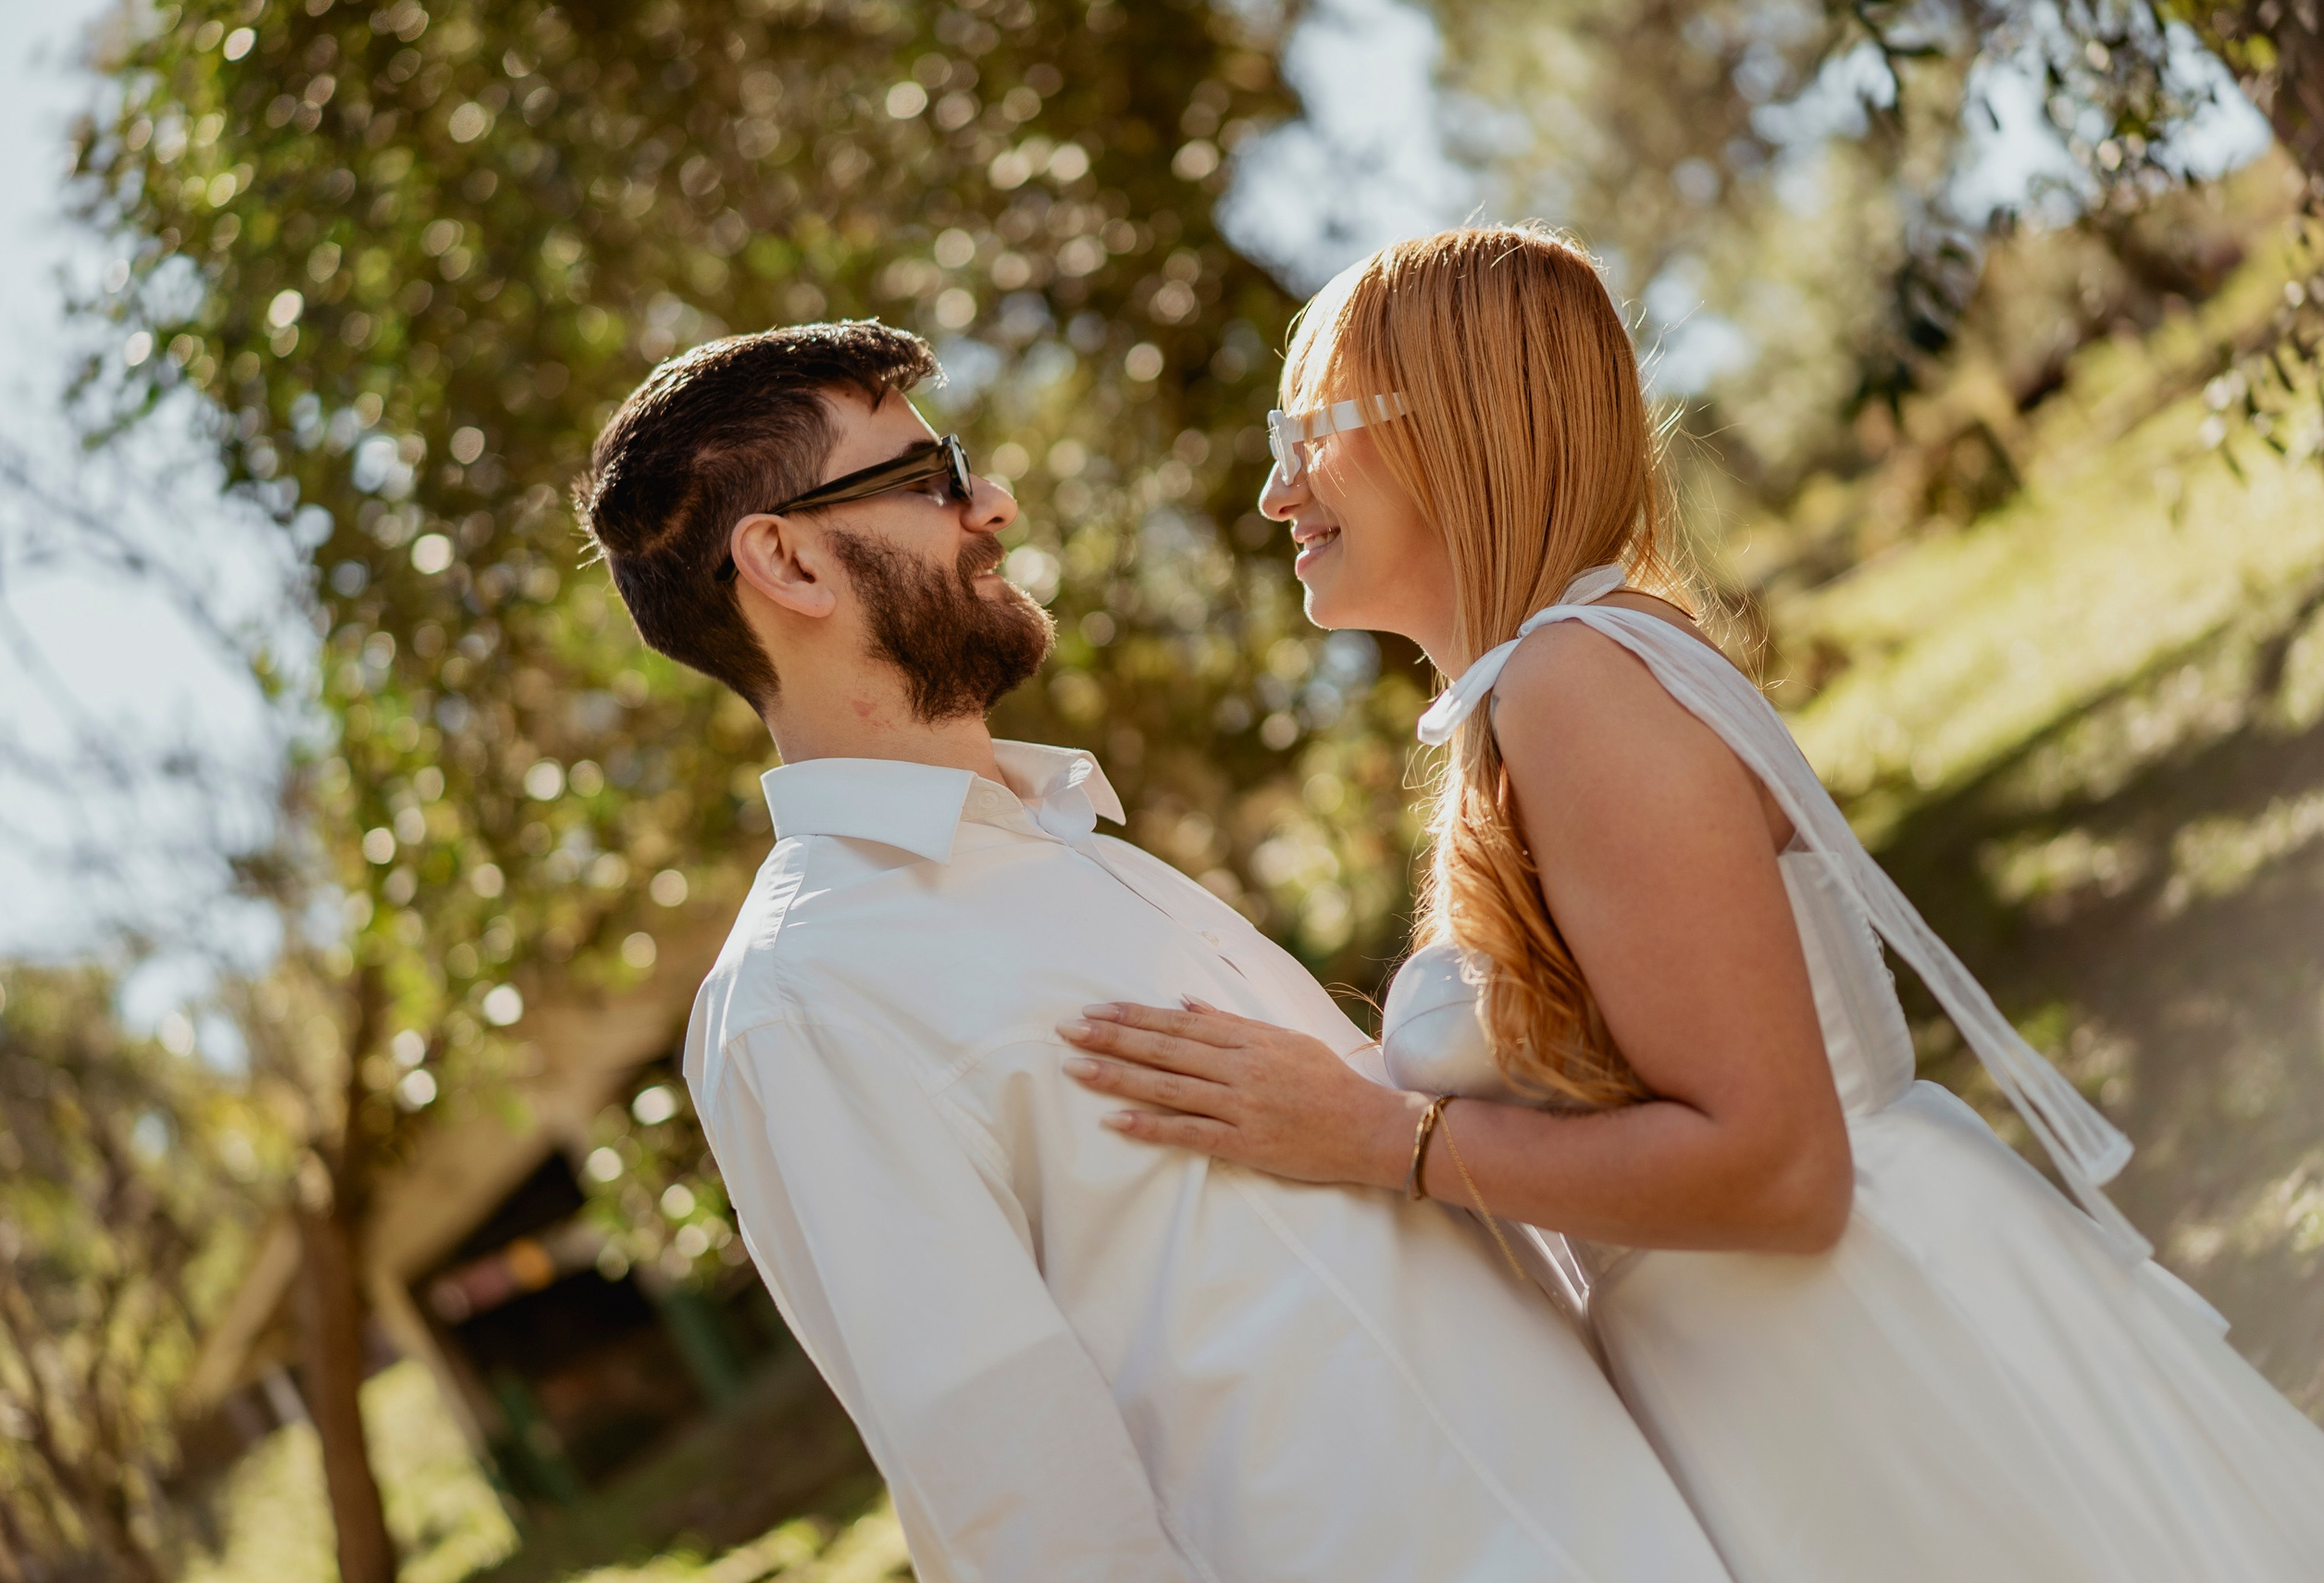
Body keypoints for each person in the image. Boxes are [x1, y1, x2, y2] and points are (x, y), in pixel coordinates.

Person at [1061, 224, 2324, 1583]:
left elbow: (1779, 1171)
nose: (1275, 492)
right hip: (1779, 1370)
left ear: (1462, 427)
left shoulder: (1577, 688)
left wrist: (1381, 1135)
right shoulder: (1546, 686)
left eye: (1310, 431)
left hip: (1874, 1375)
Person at [572, 321, 1732, 1583]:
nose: (991, 503)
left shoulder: (1086, 850)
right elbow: (1026, 1513)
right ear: (789, 559)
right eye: (930, 476)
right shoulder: (803, 1000)